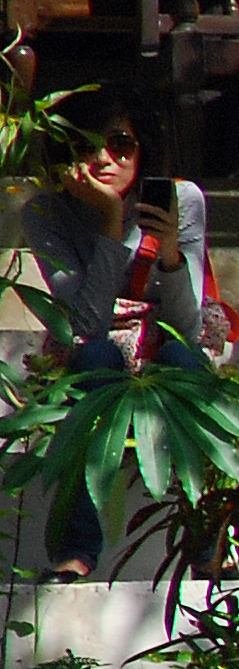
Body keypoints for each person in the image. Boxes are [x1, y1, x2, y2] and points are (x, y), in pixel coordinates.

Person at [13, 88, 215, 580]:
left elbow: (188, 327)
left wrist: (170, 252)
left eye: (120, 144)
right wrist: (109, 222)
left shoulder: (182, 200)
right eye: (86, 145)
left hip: (163, 347)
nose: (104, 158)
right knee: (95, 360)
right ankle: (76, 552)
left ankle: (209, 544)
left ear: (141, 149)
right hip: (93, 355)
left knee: (186, 364)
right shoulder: (47, 214)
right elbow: (85, 326)